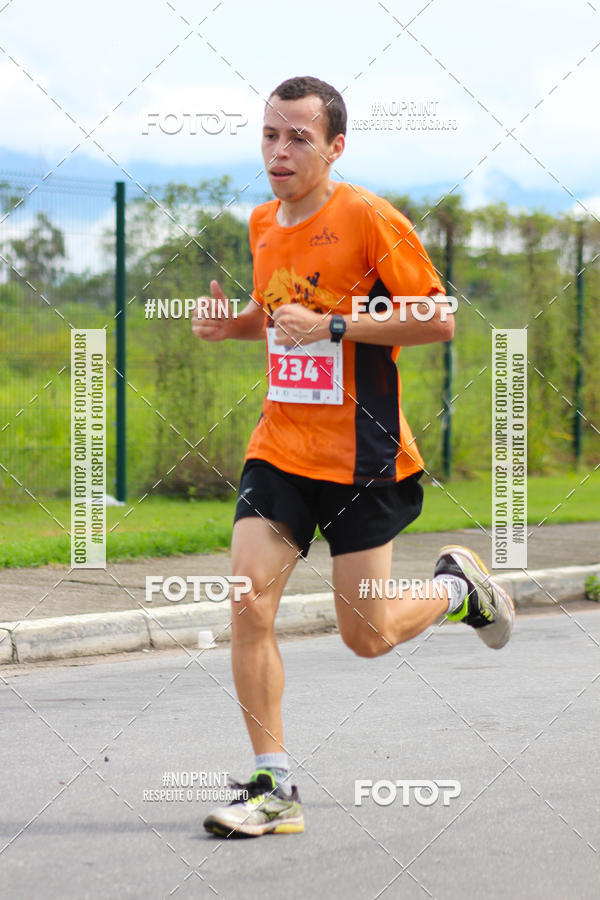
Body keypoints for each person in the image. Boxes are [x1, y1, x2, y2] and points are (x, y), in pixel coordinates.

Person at [192, 75, 514, 838]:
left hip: (363, 458)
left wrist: (336, 328)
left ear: (335, 146)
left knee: (365, 636)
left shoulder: (367, 217)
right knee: (247, 602)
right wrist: (227, 326)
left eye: (298, 137)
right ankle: (273, 787)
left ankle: (458, 591)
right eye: (270, 134)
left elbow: (438, 319)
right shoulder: (262, 222)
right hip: (279, 451)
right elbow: (280, 317)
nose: (280, 150)